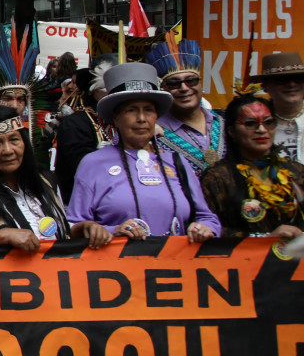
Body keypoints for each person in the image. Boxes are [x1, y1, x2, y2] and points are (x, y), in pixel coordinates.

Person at [65, 62, 221, 241]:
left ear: (157, 116)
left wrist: (203, 228)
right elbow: (73, 225)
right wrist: (110, 230)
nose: (141, 119)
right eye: (132, 110)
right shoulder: (94, 163)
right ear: (116, 117)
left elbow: (208, 218)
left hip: (174, 265)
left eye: (148, 110)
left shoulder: (176, 161)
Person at [0, 106, 107, 247]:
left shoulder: (45, 180)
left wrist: (81, 229)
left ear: (24, 143)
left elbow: (56, 231)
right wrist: (1, 237)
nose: (8, 150)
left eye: (14, 140)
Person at [201, 94, 304, 239]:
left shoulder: (296, 172)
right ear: (232, 131)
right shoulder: (217, 177)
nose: (262, 129)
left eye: (269, 122)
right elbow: (212, 229)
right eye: (250, 123)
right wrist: (266, 239)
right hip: (243, 259)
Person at [146, 37, 225, 174]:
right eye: (174, 84)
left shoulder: (223, 123)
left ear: (200, 84)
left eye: (191, 81)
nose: (184, 88)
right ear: (163, 88)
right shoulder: (153, 133)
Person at [54, 58, 115, 203]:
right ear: (94, 91)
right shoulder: (75, 123)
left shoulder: (119, 123)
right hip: (82, 204)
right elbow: (80, 169)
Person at [257, 52, 304, 163]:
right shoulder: (254, 125)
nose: (292, 84)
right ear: (265, 86)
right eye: (282, 79)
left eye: (298, 78)